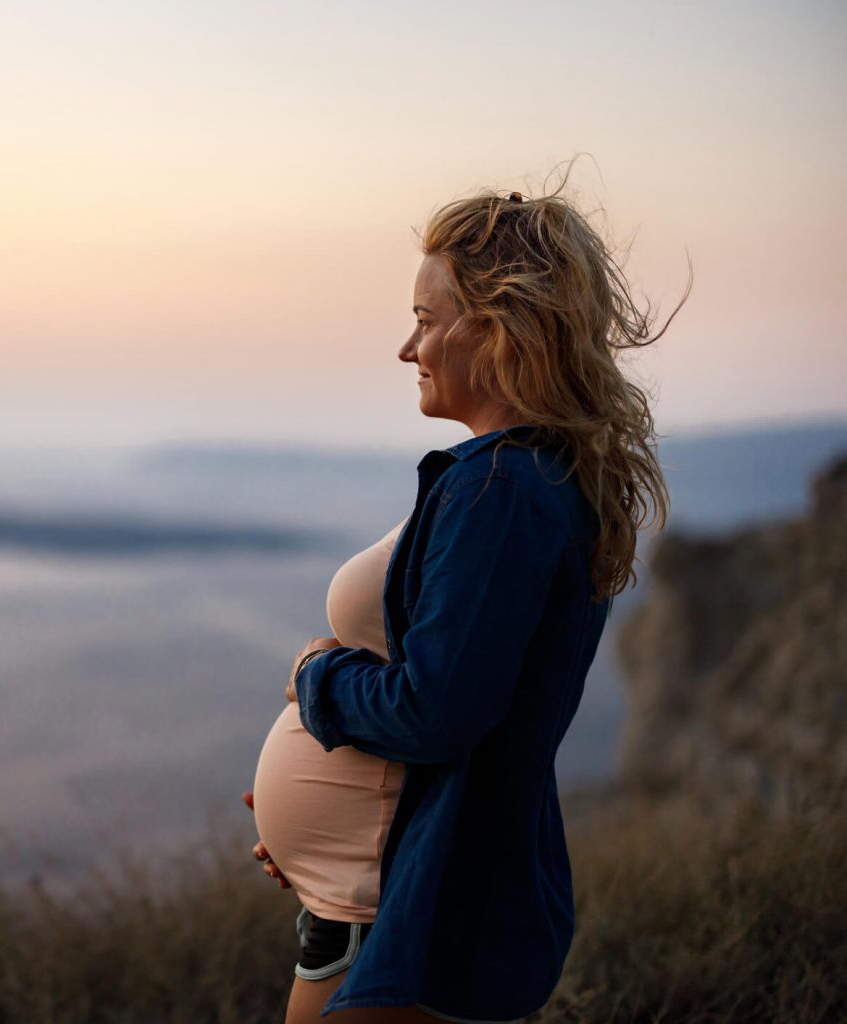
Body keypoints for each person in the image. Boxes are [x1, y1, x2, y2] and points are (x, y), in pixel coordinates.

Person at [245, 178, 685, 1022]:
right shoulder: (520, 476)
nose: (408, 348)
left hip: (432, 913)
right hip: (375, 892)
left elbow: (435, 710)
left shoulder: (502, 487)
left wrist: (316, 680)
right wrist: (321, 833)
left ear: (497, 327)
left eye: (427, 319)